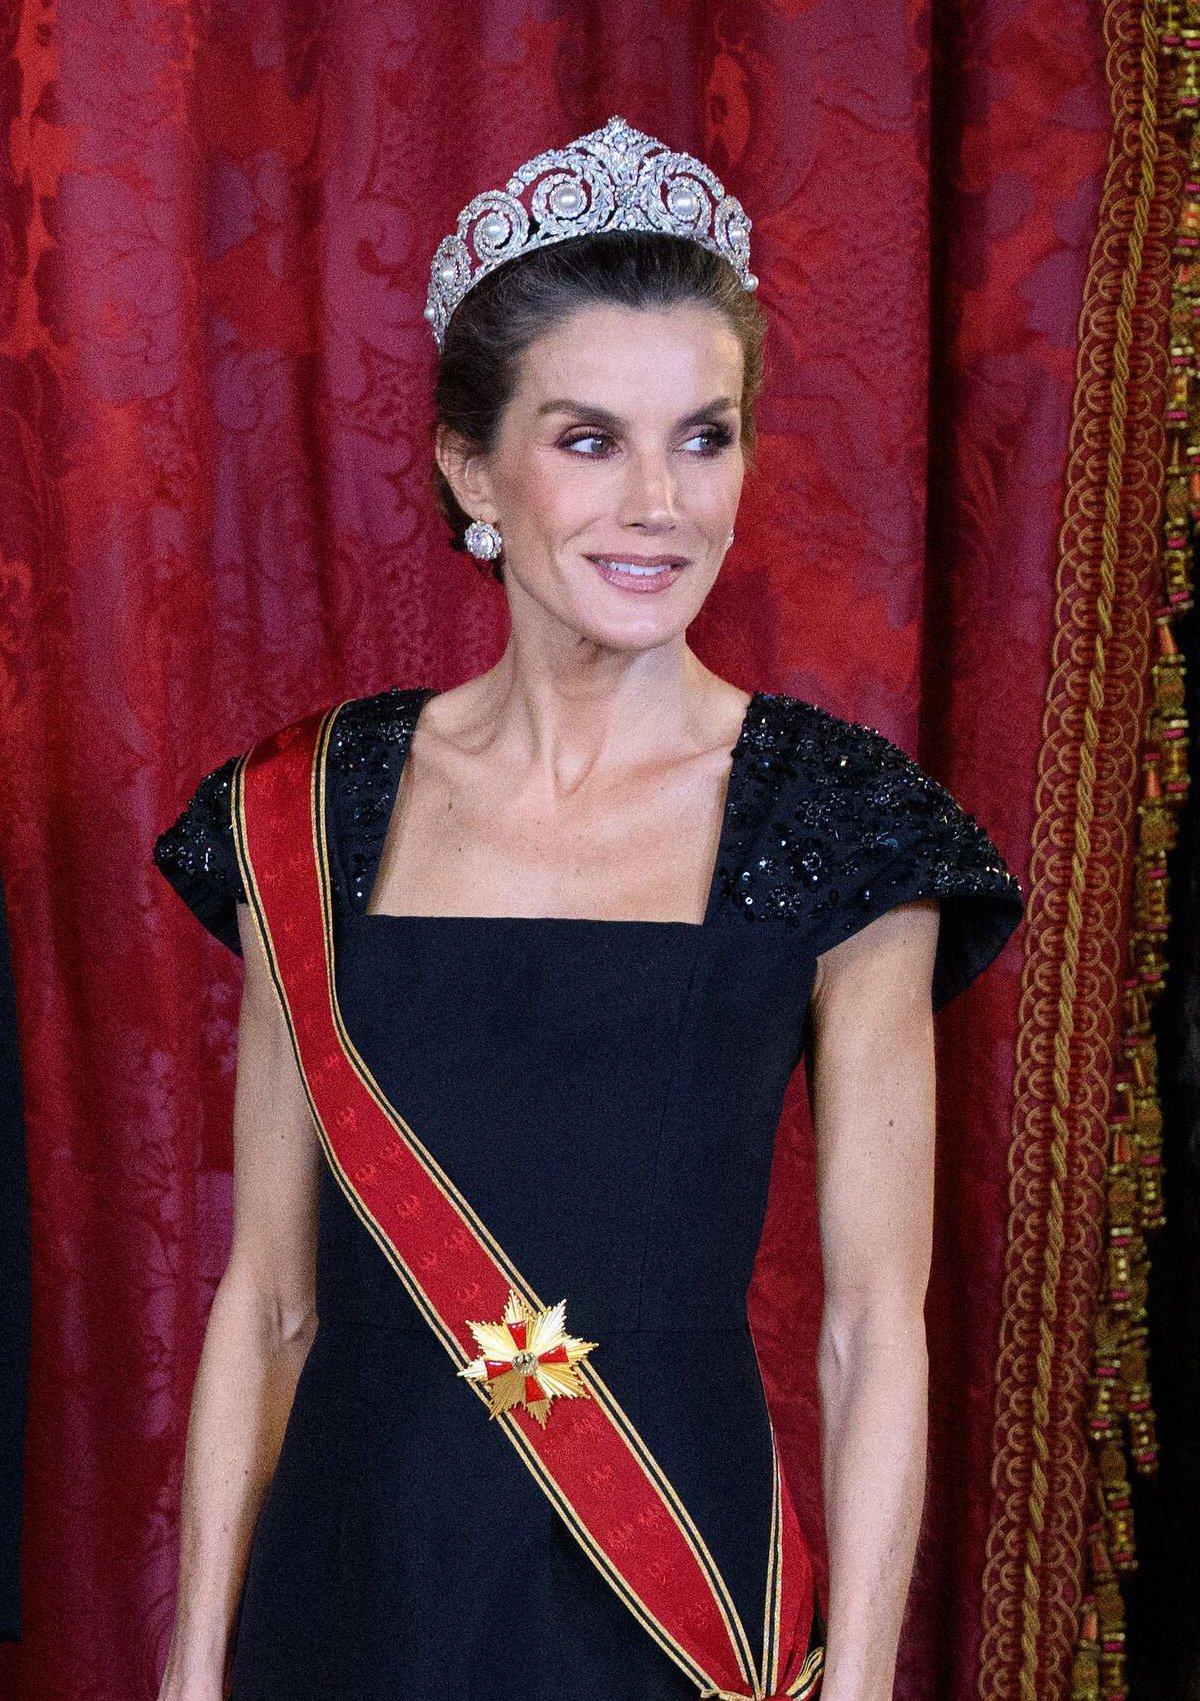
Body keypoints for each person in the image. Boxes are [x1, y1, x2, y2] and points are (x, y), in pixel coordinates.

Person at [151, 117, 1024, 1701]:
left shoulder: (837, 820)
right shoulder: (306, 812)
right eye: (587, 439)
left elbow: (871, 1327)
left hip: (667, 1608)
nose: (660, 505)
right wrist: (195, 1670)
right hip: (353, 1601)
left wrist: (869, 1687)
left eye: (705, 436)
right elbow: (270, 1299)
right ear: (471, 466)